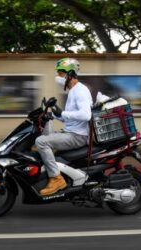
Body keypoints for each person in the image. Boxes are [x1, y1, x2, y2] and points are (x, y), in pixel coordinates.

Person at [35, 58, 93, 196]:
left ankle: (56, 179)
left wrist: (63, 113)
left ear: (70, 73)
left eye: (60, 73)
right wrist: (55, 115)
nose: (58, 77)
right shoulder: (73, 91)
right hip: (71, 131)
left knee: (41, 142)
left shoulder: (80, 90)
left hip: (78, 136)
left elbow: (86, 115)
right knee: (45, 136)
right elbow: (70, 116)